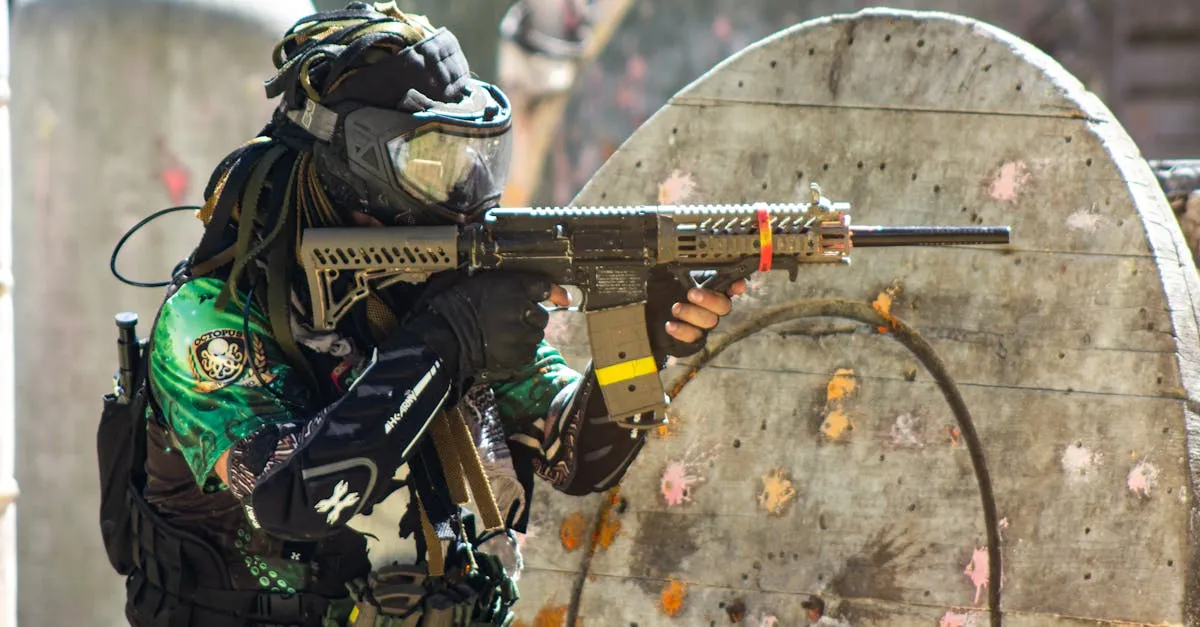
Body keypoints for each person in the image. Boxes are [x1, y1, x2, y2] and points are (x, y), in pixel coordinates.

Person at [108, 2, 745, 626]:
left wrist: (640, 341)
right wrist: (444, 342)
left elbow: (575, 457)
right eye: (433, 162)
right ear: (353, 161)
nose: (462, 189)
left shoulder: (434, 283)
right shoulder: (212, 318)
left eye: (473, 158)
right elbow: (292, 497)